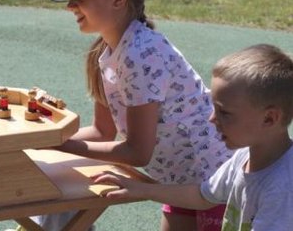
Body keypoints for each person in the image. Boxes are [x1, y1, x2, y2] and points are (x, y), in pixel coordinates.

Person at [34, 0, 233, 231]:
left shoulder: (141, 54)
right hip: (177, 179)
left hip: (211, 180)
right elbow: (103, 133)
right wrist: (49, 137)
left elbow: (138, 152)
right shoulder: (106, 52)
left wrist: (62, 145)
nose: (70, 6)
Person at [93, 44, 293, 231]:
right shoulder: (243, 158)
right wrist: (140, 189)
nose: (212, 119)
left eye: (224, 113)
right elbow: (202, 195)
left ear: (269, 118)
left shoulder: (282, 187)